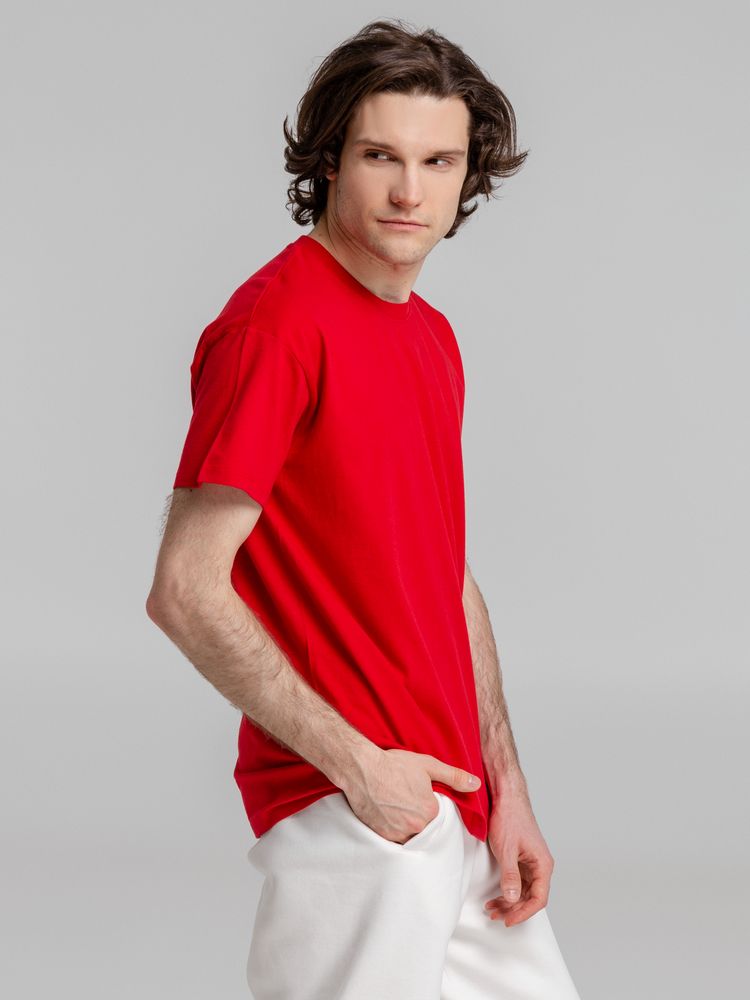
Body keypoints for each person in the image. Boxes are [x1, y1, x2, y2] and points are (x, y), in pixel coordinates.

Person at [146, 18, 582, 1000]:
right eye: (382, 156)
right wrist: (360, 770)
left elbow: (443, 572)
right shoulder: (275, 328)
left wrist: (506, 787)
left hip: (453, 807)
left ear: (469, 177)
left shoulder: (430, 338)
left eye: (438, 161)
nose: (408, 191)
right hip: (356, 812)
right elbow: (185, 589)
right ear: (331, 159)